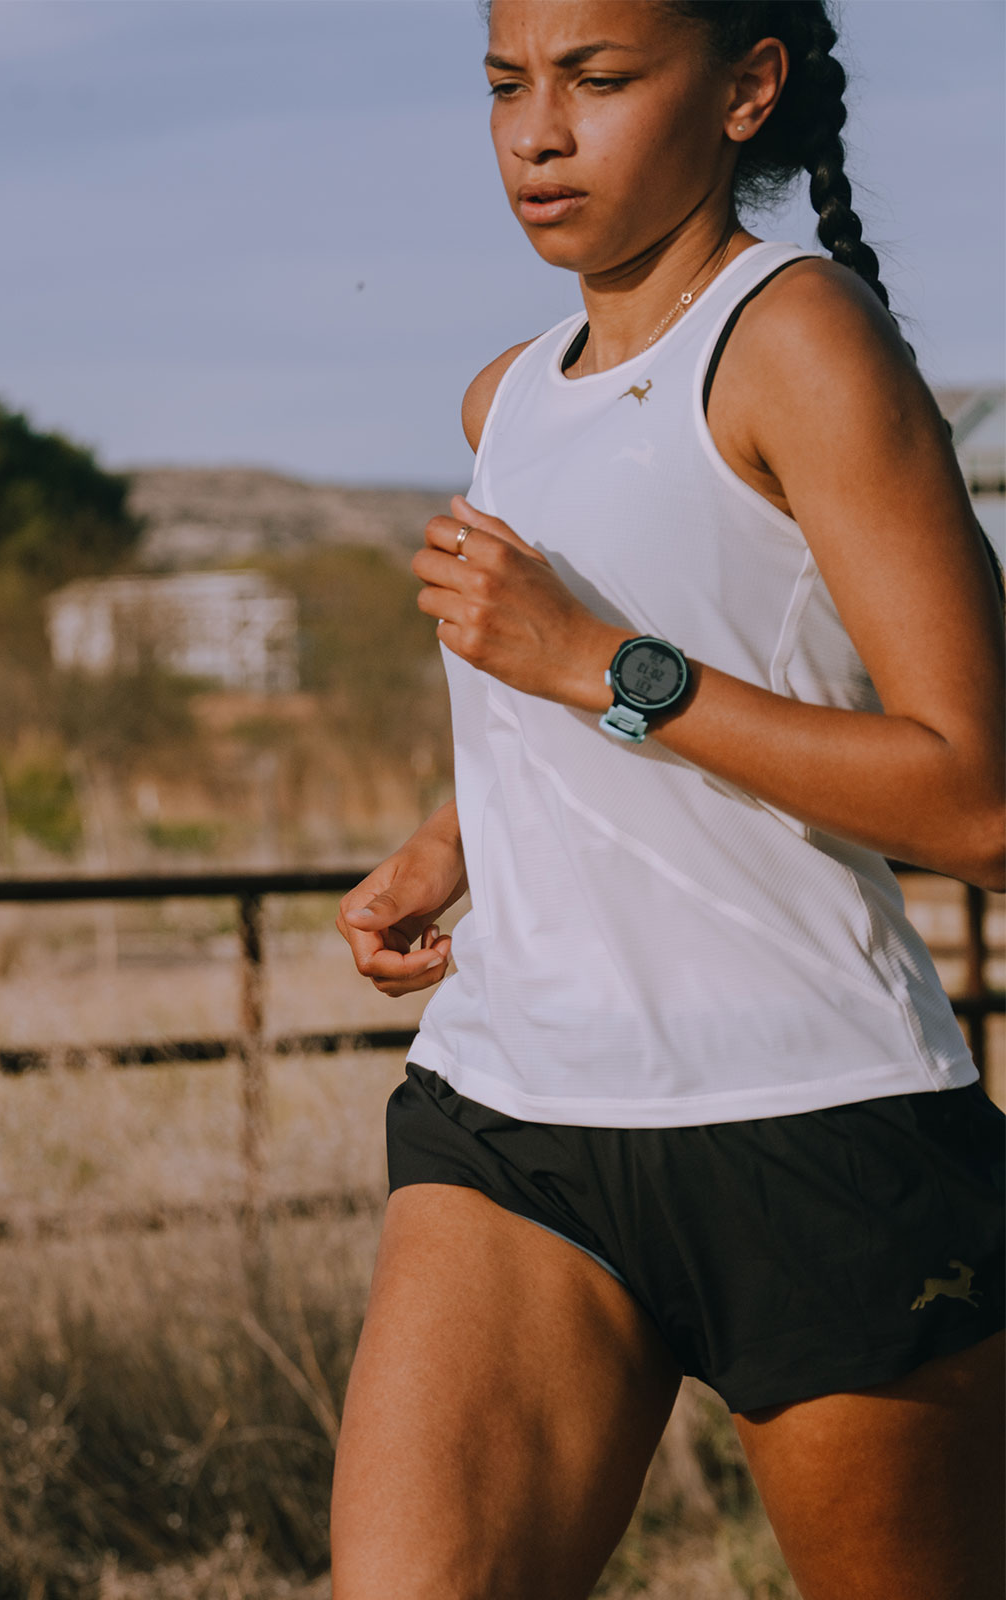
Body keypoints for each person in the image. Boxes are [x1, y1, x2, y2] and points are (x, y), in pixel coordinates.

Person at [328, 4, 1004, 1596]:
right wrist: (453, 841)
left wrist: (602, 665)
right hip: (515, 1112)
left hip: (812, 1124)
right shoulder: (508, 398)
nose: (538, 132)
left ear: (747, 87)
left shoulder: (801, 338)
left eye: (600, 79)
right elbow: (604, 700)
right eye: (507, 84)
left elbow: (980, 803)